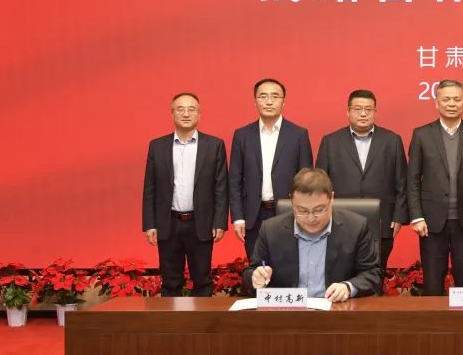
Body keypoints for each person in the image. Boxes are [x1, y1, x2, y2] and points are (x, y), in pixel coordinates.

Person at [243, 168, 382, 299]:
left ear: (332, 199)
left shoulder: (355, 227)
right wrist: (255, 277)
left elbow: (372, 274)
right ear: (292, 201)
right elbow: (251, 272)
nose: (311, 218)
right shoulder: (271, 230)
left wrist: (348, 287)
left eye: (319, 210)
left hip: (336, 310)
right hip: (289, 311)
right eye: (302, 211)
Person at [407, 79, 463, 295]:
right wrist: (417, 216)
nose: (451, 104)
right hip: (430, 223)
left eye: (456, 99)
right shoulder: (421, 134)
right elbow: (413, 179)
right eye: (446, 99)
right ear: (436, 102)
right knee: (433, 284)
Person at [142, 92, 228, 296]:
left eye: (192, 109)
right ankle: (171, 318)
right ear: (172, 114)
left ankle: (202, 318)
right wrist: (150, 224)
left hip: (201, 223)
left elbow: (221, 187)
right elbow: (150, 188)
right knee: (170, 282)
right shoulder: (157, 146)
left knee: (203, 281)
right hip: (168, 223)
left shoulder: (214, 145)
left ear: (199, 114)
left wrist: (219, 221)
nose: (186, 114)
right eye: (180, 109)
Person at [316, 89, 408, 273]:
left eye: (368, 109)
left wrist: (399, 217)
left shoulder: (392, 140)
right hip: (339, 220)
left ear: (375, 112)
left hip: (382, 221)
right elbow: (319, 184)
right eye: (358, 109)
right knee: (341, 273)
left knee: (376, 272)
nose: (363, 114)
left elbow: (402, 182)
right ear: (348, 112)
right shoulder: (330, 142)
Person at [228, 78, 313, 258]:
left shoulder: (298, 134)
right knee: (257, 266)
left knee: (288, 265)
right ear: (255, 101)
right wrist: (238, 217)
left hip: (288, 212)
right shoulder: (242, 135)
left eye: (275, 96)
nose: (269, 101)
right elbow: (234, 180)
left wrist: (304, 214)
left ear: (284, 101)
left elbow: (306, 180)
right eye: (263, 96)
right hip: (253, 215)